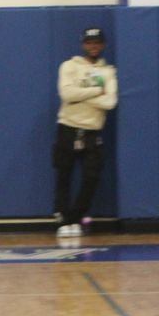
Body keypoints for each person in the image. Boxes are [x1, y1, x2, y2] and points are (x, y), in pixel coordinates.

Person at [53, 27, 118, 237]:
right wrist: (96, 91)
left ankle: (76, 217)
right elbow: (67, 93)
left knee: (92, 177)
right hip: (68, 127)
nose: (93, 46)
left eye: (97, 42)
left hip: (92, 131)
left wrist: (80, 96)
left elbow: (110, 102)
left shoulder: (108, 71)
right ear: (83, 44)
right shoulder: (69, 66)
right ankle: (63, 220)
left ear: (103, 45)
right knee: (64, 174)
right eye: (90, 42)